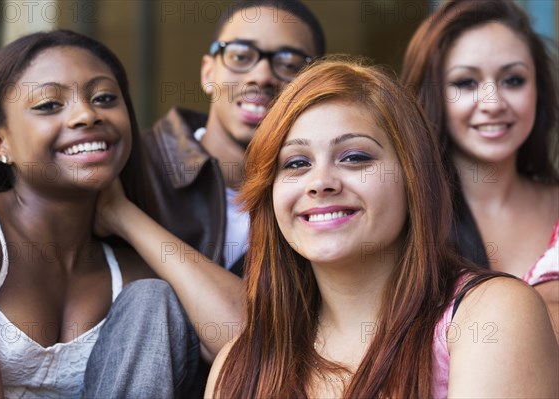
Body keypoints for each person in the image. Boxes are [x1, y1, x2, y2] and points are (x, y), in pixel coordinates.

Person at [204, 57, 558, 398]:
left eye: (355, 157)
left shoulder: (490, 317)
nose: (320, 182)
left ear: (413, 178)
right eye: (296, 163)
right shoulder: (237, 368)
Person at [0, 30, 240, 399]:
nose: (87, 114)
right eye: (48, 104)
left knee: (152, 298)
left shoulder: (132, 271)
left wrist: (124, 215)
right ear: (1, 143)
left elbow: (251, 347)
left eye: (104, 98)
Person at [400, 0, 559, 339]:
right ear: (433, 95)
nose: (492, 103)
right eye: (466, 83)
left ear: (538, 91)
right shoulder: (402, 220)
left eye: (513, 80)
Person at [143, 0, 325, 277]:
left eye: (289, 64)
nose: (261, 76)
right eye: (240, 56)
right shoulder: (138, 168)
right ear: (208, 73)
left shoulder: (323, 194)